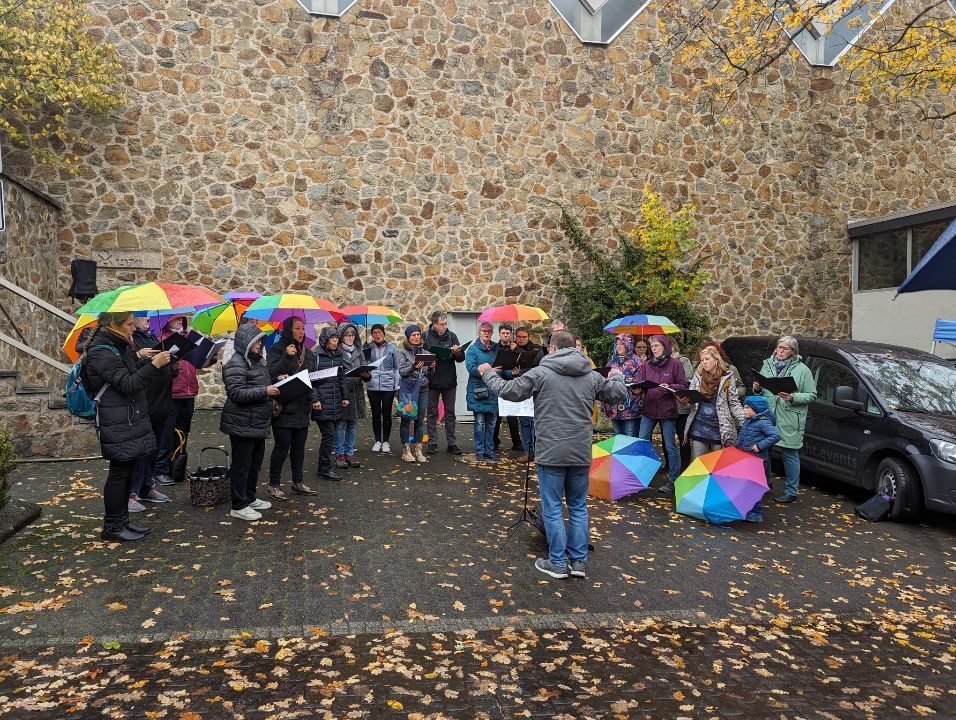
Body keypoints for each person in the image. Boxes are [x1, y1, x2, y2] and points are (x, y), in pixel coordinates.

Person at [478, 331, 626, 579]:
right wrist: (618, 377)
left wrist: (487, 373)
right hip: (580, 451)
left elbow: (508, 390)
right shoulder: (590, 375)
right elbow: (615, 393)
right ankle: (578, 562)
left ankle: (557, 562)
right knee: (578, 506)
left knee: (553, 507)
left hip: (551, 451)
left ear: (553, 349)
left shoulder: (540, 373)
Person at [84, 312, 172, 541]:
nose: (134, 328)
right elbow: (127, 384)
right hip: (116, 417)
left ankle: (123, 521)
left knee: (127, 470)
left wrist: (151, 362)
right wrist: (153, 365)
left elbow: (130, 373)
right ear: (114, 324)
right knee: (118, 473)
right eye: (130, 324)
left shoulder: (119, 346)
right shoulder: (100, 351)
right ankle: (112, 527)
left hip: (128, 415)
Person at [220, 323, 279, 521]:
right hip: (241, 423)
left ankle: (250, 497)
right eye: (257, 340)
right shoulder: (236, 363)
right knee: (241, 465)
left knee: (254, 464)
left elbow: (263, 385)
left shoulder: (257, 362)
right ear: (246, 341)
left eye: (261, 340)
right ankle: (238, 505)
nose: (260, 343)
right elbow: (236, 393)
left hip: (257, 423)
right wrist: (265, 391)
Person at [753, 335, 817, 503]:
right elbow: (762, 390)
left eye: (785, 348)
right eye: (779, 347)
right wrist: (757, 389)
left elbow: (812, 395)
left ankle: (791, 491)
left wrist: (793, 397)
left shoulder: (802, 370)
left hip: (790, 417)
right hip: (768, 415)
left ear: (793, 352)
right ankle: (765, 483)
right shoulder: (767, 365)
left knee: (790, 454)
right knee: (762, 451)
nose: (780, 351)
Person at [266, 316, 319, 500]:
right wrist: (286, 357)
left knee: (299, 447)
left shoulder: (309, 353)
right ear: (288, 329)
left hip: (302, 408)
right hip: (284, 407)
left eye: (303, 328)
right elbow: (271, 374)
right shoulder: (276, 349)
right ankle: (273, 484)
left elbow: (311, 380)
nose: (301, 331)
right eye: (297, 328)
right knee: (282, 447)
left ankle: (298, 482)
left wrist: (314, 399)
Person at [128, 317, 173, 512]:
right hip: (144, 402)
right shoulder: (130, 342)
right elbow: (129, 372)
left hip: (161, 401)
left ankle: (147, 486)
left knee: (153, 447)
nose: (148, 319)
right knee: (139, 450)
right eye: (142, 316)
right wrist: (138, 355)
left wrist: (173, 368)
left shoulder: (152, 337)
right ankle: (131, 492)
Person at [635, 334, 688, 494]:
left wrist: (670, 386)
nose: (654, 349)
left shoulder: (675, 364)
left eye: (656, 346)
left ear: (665, 346)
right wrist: (637, 389)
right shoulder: (647, 365)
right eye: (652, 347)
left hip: (667, 410)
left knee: (670, 446)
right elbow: (641, 384)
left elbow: (683, 384)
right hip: (649, 409)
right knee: (642, 442)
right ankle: (642, 476)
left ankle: (673, 480)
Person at [158, 315, 202, 486]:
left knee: (183, 432)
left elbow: (196, 364)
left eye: (182, 320)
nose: (180, 322)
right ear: (167, 320)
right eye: (176, 319)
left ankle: (177, 466)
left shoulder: (188, 339)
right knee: (167, 433)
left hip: (189, 391)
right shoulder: (161, 340)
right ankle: (161, 469)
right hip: (173, 392)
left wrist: (208, 355)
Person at [683, 346, 744, 458]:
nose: (704, 362)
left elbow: (734, 402)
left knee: (718, 463)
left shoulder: (727, 377)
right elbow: (691, 400)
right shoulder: (698, 375)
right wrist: (685, 400)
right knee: (698, 462)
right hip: (699, 423)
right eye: (702, 360)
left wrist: (744, 421)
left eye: (707, 359)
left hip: (720, 426)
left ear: (716, 359)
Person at [423, 311, 465, 455]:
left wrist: (458, 352)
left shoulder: (452, 336)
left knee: (450, 413)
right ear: (434, 324)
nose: (444, 327)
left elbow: (460, 359)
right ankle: (432, 443)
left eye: (446, 323)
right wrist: (429, 360)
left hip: (449, 380)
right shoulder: (426, 336)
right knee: (432, 413)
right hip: (432, 380)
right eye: (442, 324)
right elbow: (420, 357)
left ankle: (451, 443)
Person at [312, 327, 350, 481]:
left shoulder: (339, 355)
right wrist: (315, 399)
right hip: (322, 400)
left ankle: (323, 467)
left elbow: (342, 377)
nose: (335, 342)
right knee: (328, 434)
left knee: (330, 435)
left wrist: (345, 396)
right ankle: (325, 468)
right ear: (325, 340)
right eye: (332, 339)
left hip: (335, 400)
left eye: (337, 339)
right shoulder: (317, 357)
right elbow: (311, 379)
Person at [735, 395, 781, 523]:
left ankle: (756, 512)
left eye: (747, 407)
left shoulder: (763, 422)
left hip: (757, 460)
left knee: (754, 486)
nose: (744, 410)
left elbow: (775, 435)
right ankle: (746, 509)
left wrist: (759, 446)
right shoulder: (748, 420)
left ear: (757, 409)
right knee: (745, 485)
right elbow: (743, 436)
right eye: (744, 407)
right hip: (746, 458)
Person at [335, 322, 368, 469]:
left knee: (353, 424)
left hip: (356, 390)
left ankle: (349, 451)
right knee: (340, 424)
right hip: (342, 391)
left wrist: (366, 374)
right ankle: (340, 453)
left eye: (353, 334)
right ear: (341, 336)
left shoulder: (359, 351)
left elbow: (365, 369)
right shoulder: (336, 351)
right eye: (347, 334)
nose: (350, 337)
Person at [465, 321, 499, 462]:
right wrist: (489, 370)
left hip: (493, 389)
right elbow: (471, 369)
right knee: (479, 423)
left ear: (491, 333)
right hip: (478, 391)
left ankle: (489, 450)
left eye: (489, 331)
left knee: (491, 424)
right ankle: (480, 451)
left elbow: (503, 365)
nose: (486, 333)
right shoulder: (473, 350)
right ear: (479, 333)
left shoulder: (497, 348)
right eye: (484, 330)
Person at [397, 324, 431, 463]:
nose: (416, 337)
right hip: (408, 390)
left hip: (422, 388)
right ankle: (406, 450)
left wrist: (432, 367)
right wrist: (413, 367)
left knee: (419, 419)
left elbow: (429, 374)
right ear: (408, 337)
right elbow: (402, 372)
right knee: (406, 418)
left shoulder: (426, 353)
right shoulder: (402, 352)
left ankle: (418, 450)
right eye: (413, 335)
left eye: (418, 334)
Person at [364, 324, 400, 454]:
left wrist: (396, 384)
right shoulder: (367, 347)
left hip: (388, 386)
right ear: (372, 335)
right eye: (374, 333)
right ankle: (377, 440)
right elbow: (364, 366)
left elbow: (397, 367)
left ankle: (386, 441)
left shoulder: (392, 348)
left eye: (379, 332)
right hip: (373, 385)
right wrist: (365, 354)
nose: (377, 335)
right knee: (375, 413)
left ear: (384, 334)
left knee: (387, 413)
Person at [601, 333, 642, 436]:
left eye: (621, 343)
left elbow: (640, 381)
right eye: (617, 344)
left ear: (628, 345)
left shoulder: (637, 361)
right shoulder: (611, 362)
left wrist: (621, 376)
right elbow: (604, 382)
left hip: (630, 409)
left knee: (630, 440)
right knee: (618, 440)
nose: (618, 346)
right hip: (614, 407)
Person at [492, 324, 523, 454]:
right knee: (497, 415)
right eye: (503, 333)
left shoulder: (516, 348)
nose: (505, 335)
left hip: (511, 383)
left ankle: (516, 443)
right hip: (498, 383)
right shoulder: (494, 347)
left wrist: (517, 350)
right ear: (499, 334)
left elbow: (523, 361)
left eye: (508, 333)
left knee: (512, 416)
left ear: (511, 334)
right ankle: (494, 442)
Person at [514, 327, 543, 461]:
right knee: (525, 422)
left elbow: (535, 367)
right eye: (518, 337)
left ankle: (539, 452)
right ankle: (528, 452)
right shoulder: (511, 349)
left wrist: (521, 370)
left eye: (523, 337)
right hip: (521, 389)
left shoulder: (536, 348)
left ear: (528, 337)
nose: (521, 339)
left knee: (537, 422)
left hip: (536, 388)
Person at [671, 338, 696, 473]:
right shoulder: (661, 363)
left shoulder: (683, 360)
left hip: (682, 406)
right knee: (668, 438)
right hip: (669, 407)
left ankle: (685, 466)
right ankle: (670, 465)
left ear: (673, 347)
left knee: (683, 437)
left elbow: (688, 379)